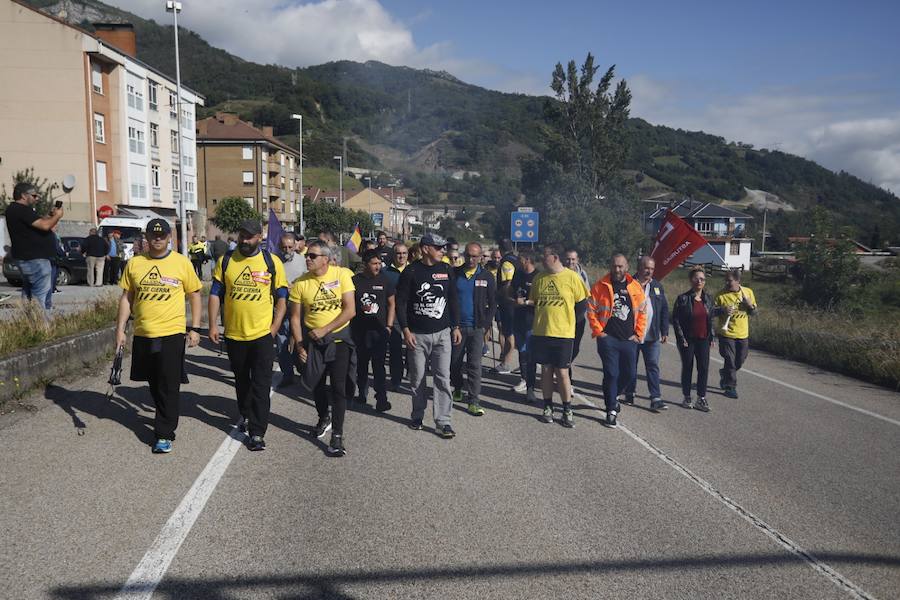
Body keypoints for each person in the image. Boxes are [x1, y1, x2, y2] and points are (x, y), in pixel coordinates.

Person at [115, 218, 202, 453]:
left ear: (169, 237)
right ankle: (163, 415)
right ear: (146, 237)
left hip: (172, 332)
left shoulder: (181, 263)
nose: (157, 239)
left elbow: (194, 295)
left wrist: (194, 328)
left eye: (161, 235)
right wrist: (121, 330)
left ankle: (164, 433)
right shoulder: (135, 264)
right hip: (144, 332)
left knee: (169, 384)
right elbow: (126, 298)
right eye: (153, 236)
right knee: (154, 383)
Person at [209, 219, 289, 452]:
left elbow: (282, 298)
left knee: (261, 384)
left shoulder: (271, 262)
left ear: (260, 237)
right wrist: (213, 325)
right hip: (234, 335)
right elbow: (215, 294)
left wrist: (274, 328)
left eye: (250, 236)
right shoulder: (226, 262)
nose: (245, 240)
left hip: (262, 334)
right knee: (242, 381)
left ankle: (257, 432)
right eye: (242, 235)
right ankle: (245, 413)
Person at [290, 240, 356, 457]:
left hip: (338, 341)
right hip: (313, 342)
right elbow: (295, 317)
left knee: (338, 387)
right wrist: (299, 344)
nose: (307, 258)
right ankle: (323, 416)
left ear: (326, 259)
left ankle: (337, 435)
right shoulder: (301, 283)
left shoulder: (342, 275)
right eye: (307, 255)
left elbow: (350, 310)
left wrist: (325, 329)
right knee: (316, 385)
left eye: (312, 256)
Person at [396, 232, 461, 437]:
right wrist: (405, 329)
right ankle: (417, 414)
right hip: (417, 335)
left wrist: (456, 326)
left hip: (442, 334)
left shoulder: (446, 270)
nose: (443, 251)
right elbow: (401, 303)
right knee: (418, 378)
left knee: (443, 377)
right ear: (426, 249)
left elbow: (453, 300)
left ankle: (443, 421)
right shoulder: (411, 271)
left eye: (443, 248)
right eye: (439, 247)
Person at [529, 244, 588, 427]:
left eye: (544, 256)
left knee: (562, 372)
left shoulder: (572, 278)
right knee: (546, 370)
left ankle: (567, 408)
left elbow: (581, 306)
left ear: (554, 257)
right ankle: (547, 407)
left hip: (563, 334)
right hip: (542, 332)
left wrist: (569, 325)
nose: (541, 260)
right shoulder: (539, 278)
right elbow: (535, 301)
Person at [587, 253, 647, 429]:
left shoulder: (635, 287)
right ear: (610, 266)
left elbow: (642, 312)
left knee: (630, 374)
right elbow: (591, 310)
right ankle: (611, 410)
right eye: (614, 266)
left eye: (620, 266)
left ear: (627, 267)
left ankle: (614, 395)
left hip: (629, 339)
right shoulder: (600, 286)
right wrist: (599, 332)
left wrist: (638, 334)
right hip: (608, 339)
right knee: (611, 373)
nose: (617, 269)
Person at [450, 242, 496, 416]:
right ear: (464, 254)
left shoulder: (486, 276)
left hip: (477, 328)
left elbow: (493, 303)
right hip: (457, 328)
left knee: (474, 365)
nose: (471, 259)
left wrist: (485, 325)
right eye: (468, 255)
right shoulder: (454, 274)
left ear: (480, 257)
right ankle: (458, 388)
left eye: (475, 256)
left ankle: (474, 400)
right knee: (454, 363)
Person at [5, 184, 63, 311]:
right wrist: (57, 216)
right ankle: (41, 327)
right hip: (35, 259)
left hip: (27, 258)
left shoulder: (14, 210)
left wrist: (50, 215)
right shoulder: (21, 210)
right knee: (41, 298)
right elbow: (44, 226)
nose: (37, 198)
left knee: (29, 294)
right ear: (24, 196)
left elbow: (38, 223)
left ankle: (31, 324)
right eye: (34, 196)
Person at [624, 256, 670, 412]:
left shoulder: (657, 286)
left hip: (652, 335)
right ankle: (629, 392)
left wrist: (664, 330)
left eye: (651, 268)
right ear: (639, 268)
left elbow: (664, 309)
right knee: (631, 365)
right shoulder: (629, 284)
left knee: (653, 365)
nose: (649, 271)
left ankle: (655, 398)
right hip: (633, 334)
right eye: (646, 268)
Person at [351, 249, 395, 411]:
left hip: (379, 331)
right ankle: (361, 393)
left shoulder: (385, 280)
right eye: (374, 263)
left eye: (379, 263)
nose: (378, 266)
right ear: (365, 264)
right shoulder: (354, 281)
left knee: (379, 366)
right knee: (361, 364)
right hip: (360, 331)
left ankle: (381, 398)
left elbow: (391, 304)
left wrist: (389, 326)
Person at [671, 266, 719, 412]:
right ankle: (687, 396)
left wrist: (712, 336)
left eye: (702, 279)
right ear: (691, 280)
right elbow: (676, 319)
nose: (699, 281)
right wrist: (681, 338)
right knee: (688, 367)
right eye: (696, 278)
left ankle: (701, 398)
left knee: (703, 368)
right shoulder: (683, 298)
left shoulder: (708, 298)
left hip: (703, 338)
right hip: (688, 339)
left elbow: (710, 317)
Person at [715, 269, 757, 399]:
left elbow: (754, 313)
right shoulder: (720, 295)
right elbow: (711, 311)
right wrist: (722, 310)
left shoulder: (748, 292)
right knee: (730, 360)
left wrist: (750, 306)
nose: (727, 283)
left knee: (740, 360)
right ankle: (730, 386)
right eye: (726, 280)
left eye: (730, 281)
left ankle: (725, 373)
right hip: (726, 334)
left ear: (738, 281)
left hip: (743, 334)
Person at [275, 232, 308, 387]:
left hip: (300, 310)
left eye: (290, 246)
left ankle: (303, 370)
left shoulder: (304, 261)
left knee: (300, 341)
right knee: (282, 343)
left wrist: (296, 287)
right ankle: (287, 374)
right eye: (284, 247)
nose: (287, 250)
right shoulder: (273, 261)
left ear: (296, 245)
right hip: (280, 310)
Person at [563, 248, 591, 399]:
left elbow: (587, 294)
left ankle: (561, 370)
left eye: (573, 259)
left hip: (579, 318)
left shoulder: (582, 274)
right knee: (567, 350)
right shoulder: (560, 273)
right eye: (568, 259)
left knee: (575, 350)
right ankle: (568, 382)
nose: (570, 262)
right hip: (563, 319)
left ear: (577, 260)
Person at [511, 251, 539, 403]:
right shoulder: (518, 274)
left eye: (520, 259)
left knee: (531, 355)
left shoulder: (538, 276)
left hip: (532, 322)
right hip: (518, 320)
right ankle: (523, 379)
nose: (518, 262)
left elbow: (542, 301)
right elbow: (511, 293)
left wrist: (527, 302)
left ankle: (531, 388)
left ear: (527, 259)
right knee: (521, 352)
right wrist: (512, 300)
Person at [383, 242, 409, 391]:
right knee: (395, 350)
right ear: (393, 255)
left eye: (404, 253)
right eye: (398, 253)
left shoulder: (413, 270)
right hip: (393, 317)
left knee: (413, 350)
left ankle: (412, 375)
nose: (401, 256)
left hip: (411, 315)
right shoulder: (385, 272)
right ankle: (396, 379)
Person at [495, 239, 520, 373]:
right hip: (516, 302)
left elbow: (508, 282)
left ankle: (506, 364)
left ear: (501, 249)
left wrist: (500, 296)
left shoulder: (507, 262)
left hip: (508, 303)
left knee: (509, 333)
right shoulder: (516, 259)